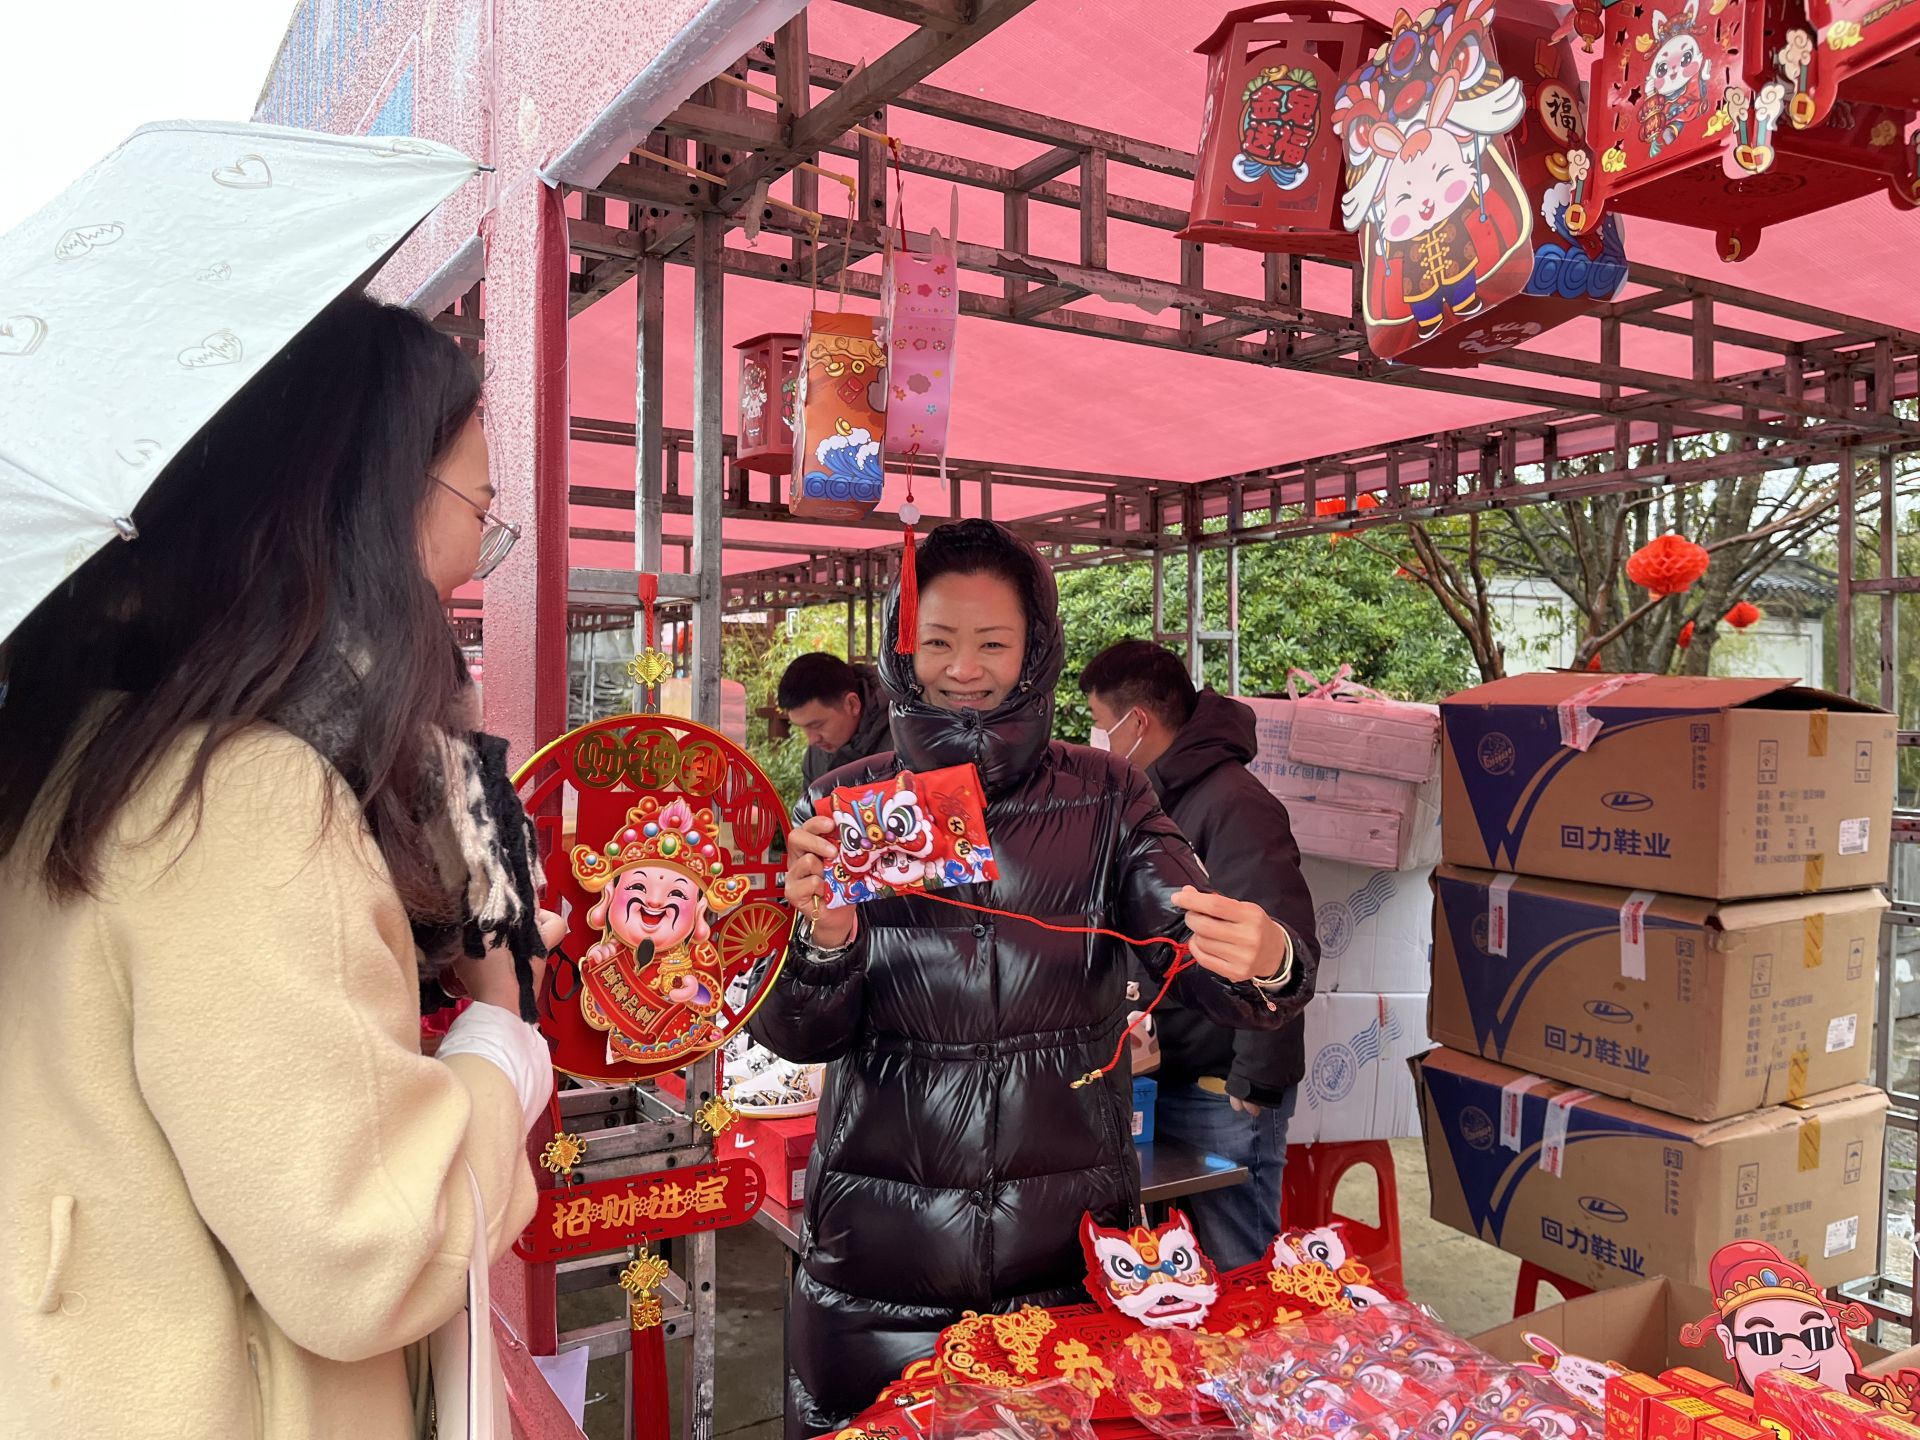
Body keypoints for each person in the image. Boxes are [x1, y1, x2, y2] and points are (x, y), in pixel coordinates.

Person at [0, 295, 563, 1438]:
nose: (472, 563)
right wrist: (501, 1043)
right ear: (365, 507)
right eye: (479, 513)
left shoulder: (75, 749)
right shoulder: (241, 798)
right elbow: (366, 1247)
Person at [751, 519, 1313, 1440]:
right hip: (877, 1266)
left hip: (1065, 1265)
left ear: (1036, 650)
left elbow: (1196, 952)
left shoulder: (1108, 795)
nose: (963, 669)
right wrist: (823, 940)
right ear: (900, 647)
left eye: (993, 643)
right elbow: (798, 1035)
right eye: (938, 641)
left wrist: (1268, 960)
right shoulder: (842, 803)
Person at [1079, 640, 1321, 1270]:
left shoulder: (1235, 805)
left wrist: (1256, 1077)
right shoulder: (1152, 800)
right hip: (1167, 1070)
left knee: (1235, 1256)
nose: (1098, 743)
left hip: (1222, 1087)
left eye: (1101, 727)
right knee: (1183, 1263)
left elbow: (1279, 943)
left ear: (1137, 722)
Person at [778, 652, 892, 786]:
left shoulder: (904, 736)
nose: (812, 740)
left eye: (816, 725)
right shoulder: (817, 755)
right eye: (802, 728)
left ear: (852, 704)